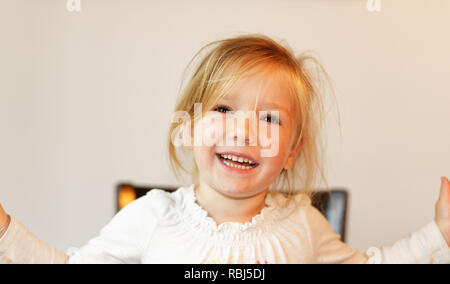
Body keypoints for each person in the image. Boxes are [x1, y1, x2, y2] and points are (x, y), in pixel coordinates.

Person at [0, 34, 449, 264]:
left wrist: (439, 234)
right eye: (223, 109)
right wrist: (5, 232)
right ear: (191, 127)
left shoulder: (303, 224)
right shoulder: (153, 217)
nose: (244, 133)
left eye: (270, 119)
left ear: (292, 151)